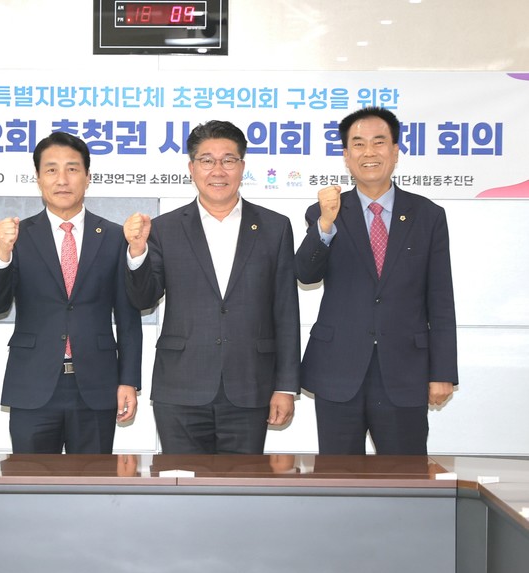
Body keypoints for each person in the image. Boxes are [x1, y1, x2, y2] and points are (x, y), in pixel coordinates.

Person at [123, 120, 300, 455]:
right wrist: (137, 253)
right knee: (181, 483)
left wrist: (286, 386)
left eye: (228, 160)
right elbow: (143, 298)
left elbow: (286, 311)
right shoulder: (164, 228)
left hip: (251, 386)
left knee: (242, 484)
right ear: (192, 168)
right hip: (180, 387)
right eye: (207, 160)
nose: (218, 170)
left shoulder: (274, 227)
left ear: (242, 167)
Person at [295, 106, 458, 455]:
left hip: (405, 371)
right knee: (338, 479)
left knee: (405, 478)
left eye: (379, 142)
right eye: (358, 144)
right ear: (346, 155)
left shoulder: (428, 215)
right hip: (338, 369)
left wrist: (442, 371)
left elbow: (441, 299)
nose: (369, 152)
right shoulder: (325, 211)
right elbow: (305, 274)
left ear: (395, 151)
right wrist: (325, 224)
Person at [0, 131, 142, 454]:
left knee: (93, 479)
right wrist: (2, 252)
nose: (62, 179)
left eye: (72, 169)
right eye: (51, 170)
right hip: (33, 384)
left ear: (88, 177)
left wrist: (128, 381)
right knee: (31, 479)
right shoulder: (17, 237)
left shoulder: (113, 237)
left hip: (96, 385)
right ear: (38, 178)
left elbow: (128, 318)